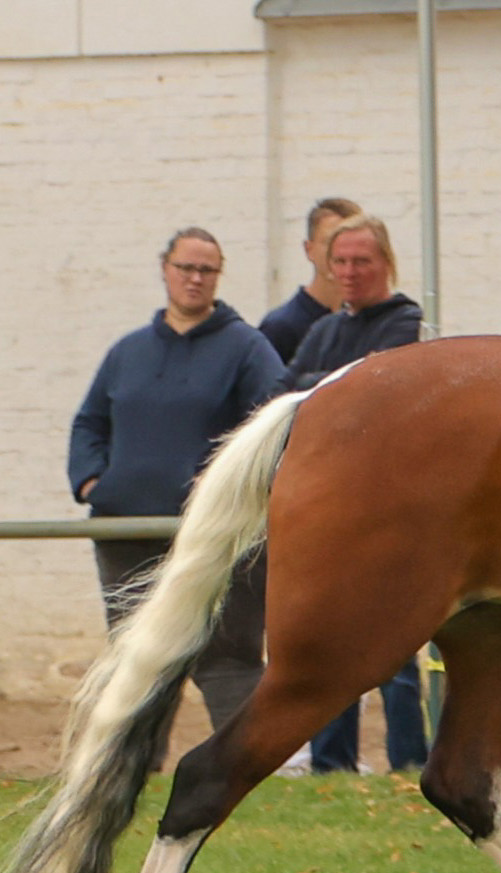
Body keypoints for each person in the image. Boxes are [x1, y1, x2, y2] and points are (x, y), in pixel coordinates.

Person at [68, 227, 285, 764]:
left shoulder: (247, 349)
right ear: (165, 269)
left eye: (206, 270)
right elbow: (89, 422)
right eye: (185, 268)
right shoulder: (128, 352)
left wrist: (222, 484)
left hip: (215, 537)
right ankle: (128, 773)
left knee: (227, 661)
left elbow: (276, 424)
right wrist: (94, 481)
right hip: (126, 533)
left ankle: (247, 772)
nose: (195, 279)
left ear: (219, 276)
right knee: (138, 660)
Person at [279, 212, 430, 773]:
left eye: (360, 261)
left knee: (394, 648)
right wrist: (331, 385)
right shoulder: (325, 330)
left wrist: (320, 388)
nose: (348, 272)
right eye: (339, 261)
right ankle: (331, 764)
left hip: (390, 508)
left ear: (385, 263)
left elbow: (371, 393)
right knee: (331, 641)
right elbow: (283, 391)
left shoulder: (405, 324)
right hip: (335, 506)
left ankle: (408, 762)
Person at [258, 197, 362, 364]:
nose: (340, 252)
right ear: (309, 250)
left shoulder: (361, 321)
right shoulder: (280, 327)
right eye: (329, 242)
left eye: (350, 243)